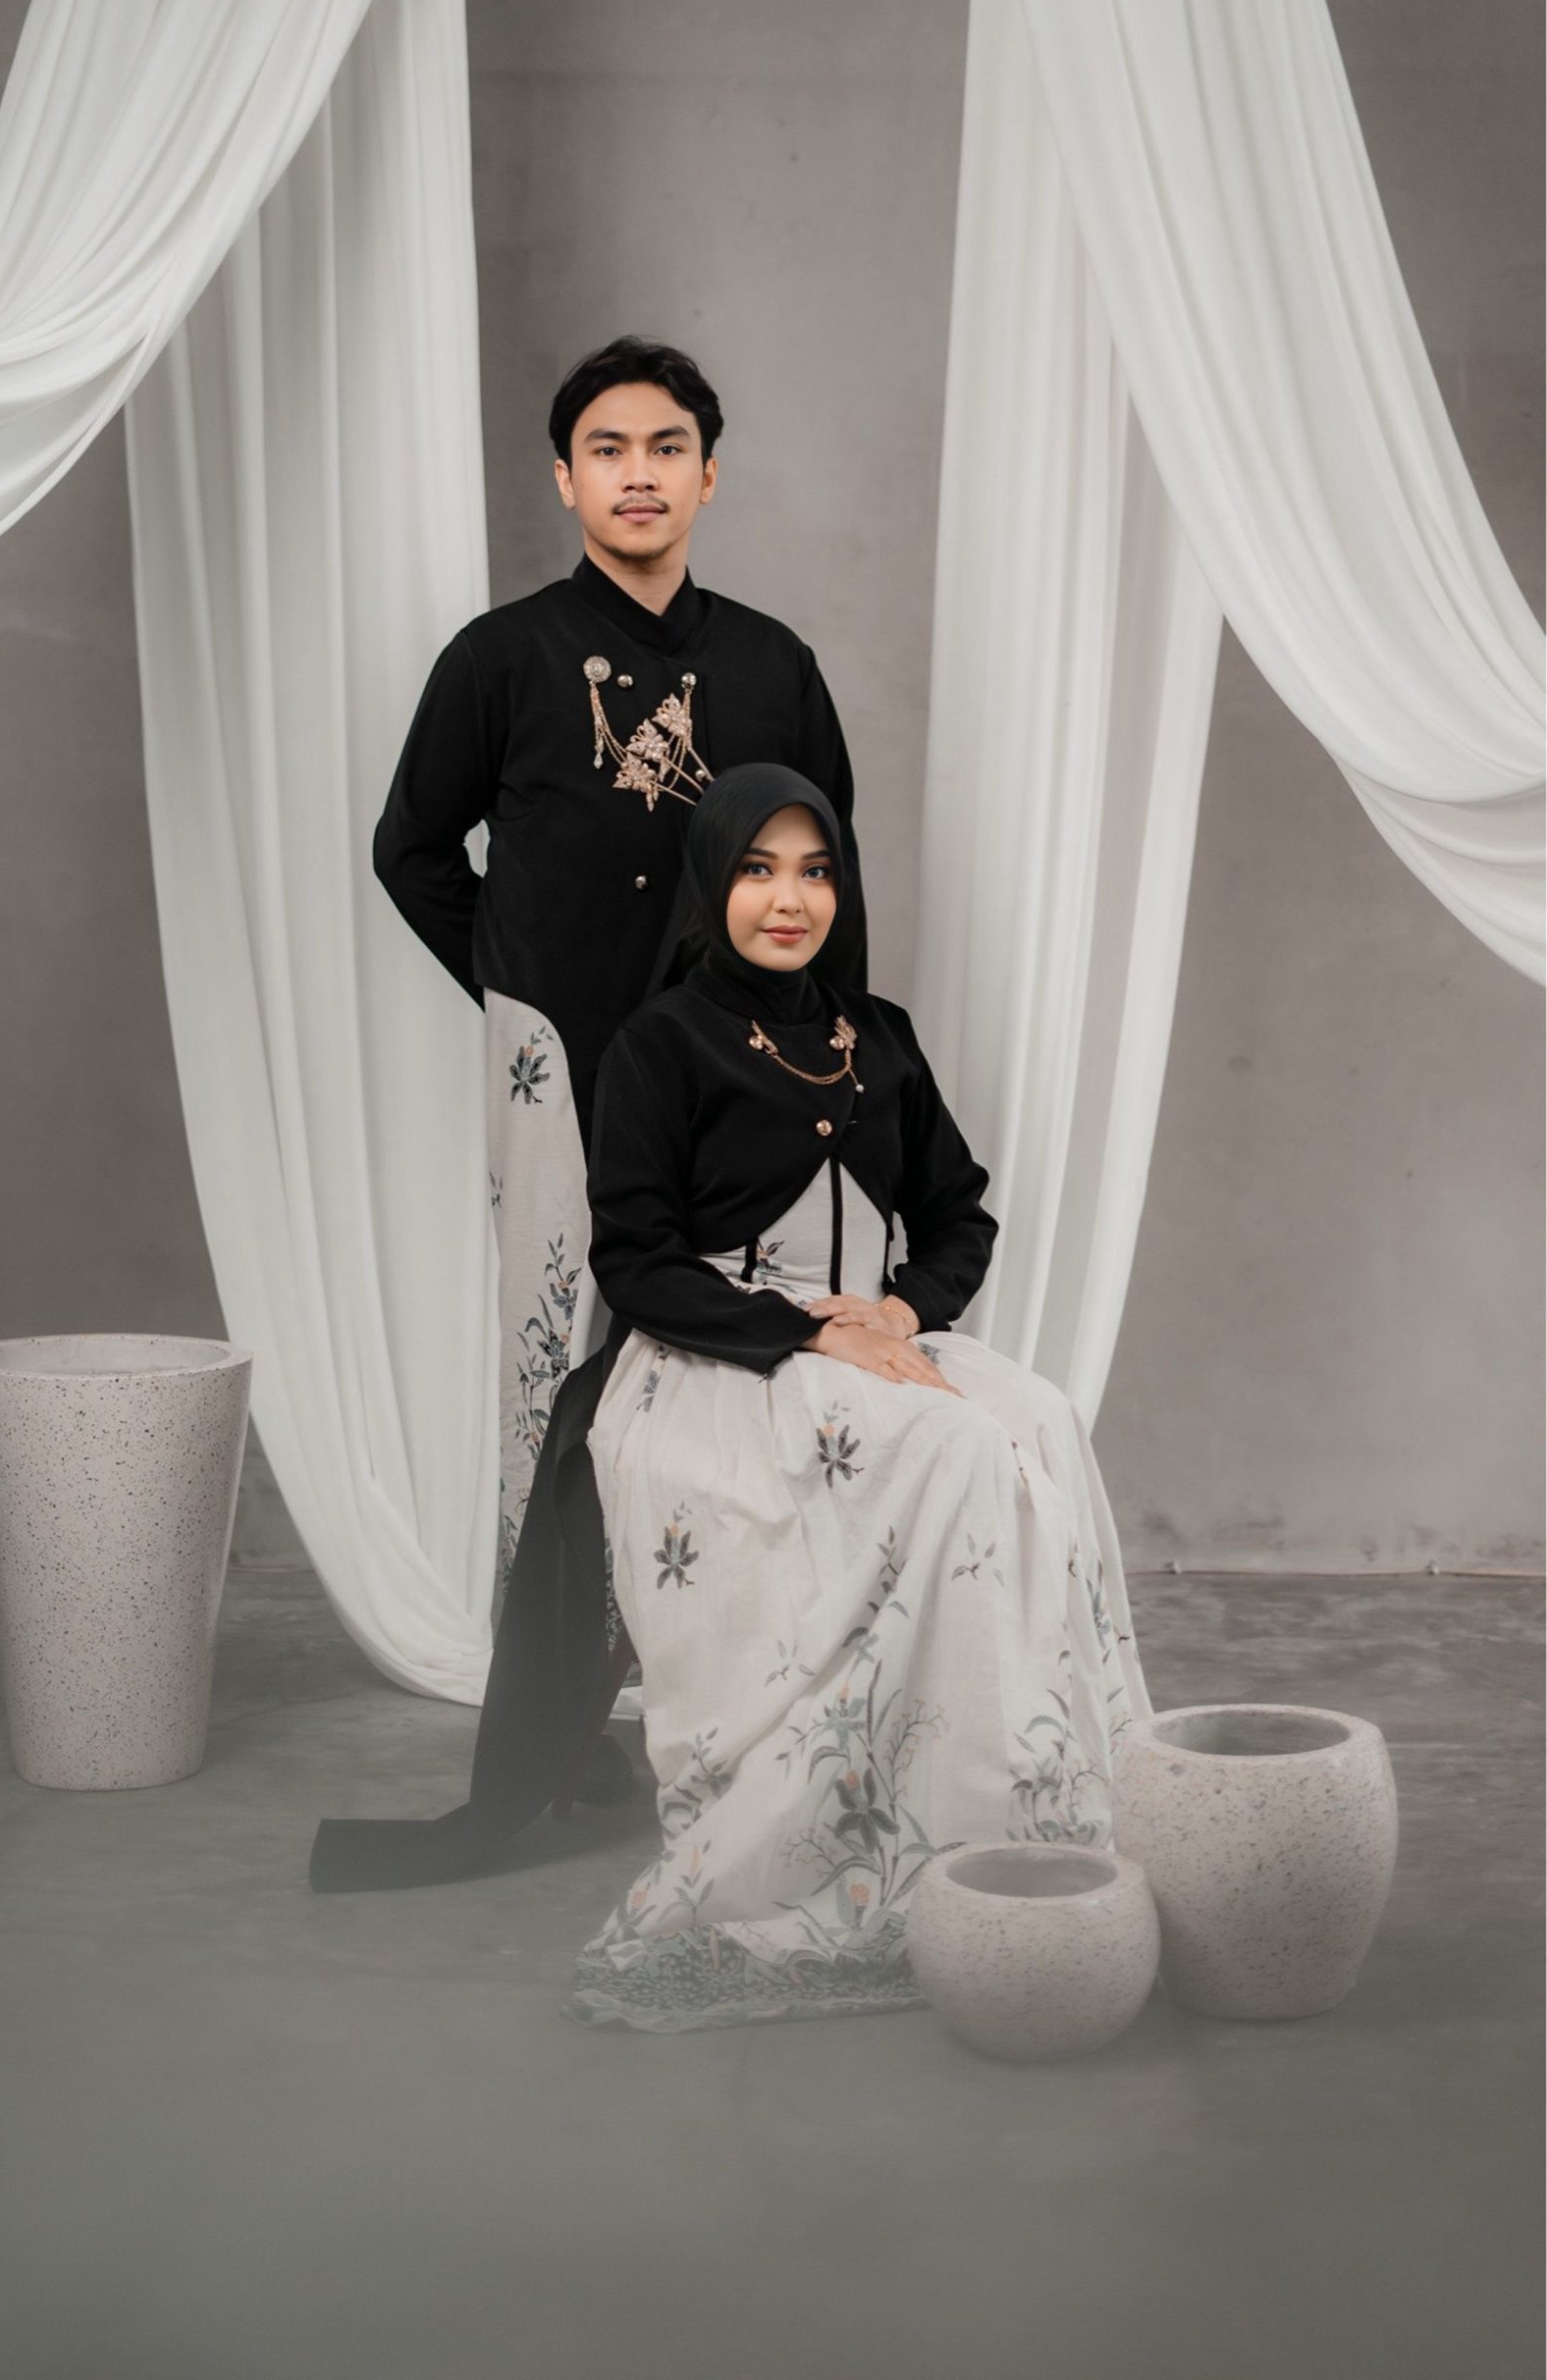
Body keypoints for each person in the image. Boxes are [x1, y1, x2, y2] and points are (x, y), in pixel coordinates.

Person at [311, 765, 1149, 2037]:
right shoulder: (661, 1043)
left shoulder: (878, 1036)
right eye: (758, 869)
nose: (787, 898)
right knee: (959, 1453)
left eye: (813, 871)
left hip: (865, 1339)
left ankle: (1035, 1795)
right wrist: (805, 1327)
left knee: (1037, 1418)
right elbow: (637, 1264)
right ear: (713, 883)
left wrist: (899, 1313)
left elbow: (957, 1215)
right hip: (714, 1357)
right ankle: (932, 1834)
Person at [373, 339, 864, 1584]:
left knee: (737, 1344)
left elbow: (829, 879)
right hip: (563, 1067)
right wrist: (518, 993)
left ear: (709, 476)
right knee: (556, 1358)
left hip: (738, 1072)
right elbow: (410, 849)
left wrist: (822, 1062)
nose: (638, 474)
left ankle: (725, 1633)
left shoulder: (774, 668)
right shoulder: (499, 658)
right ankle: (553, 1667)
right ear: (565, 478)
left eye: (666, 448)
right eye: (608, 450)